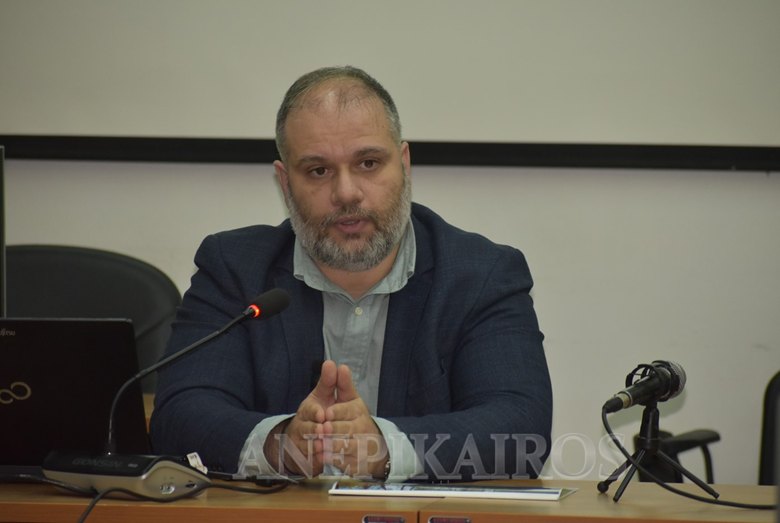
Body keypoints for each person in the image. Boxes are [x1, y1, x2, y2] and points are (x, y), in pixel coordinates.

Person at [150, 66, 552, 482]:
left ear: (404, 165)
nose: (346, 193)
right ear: (285, 183)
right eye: (318, 171)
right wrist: (280, 444)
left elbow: (522, 429)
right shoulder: (235, 269)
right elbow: (179, 417)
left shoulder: (481, 276)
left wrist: (385, 448)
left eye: (368, 163)